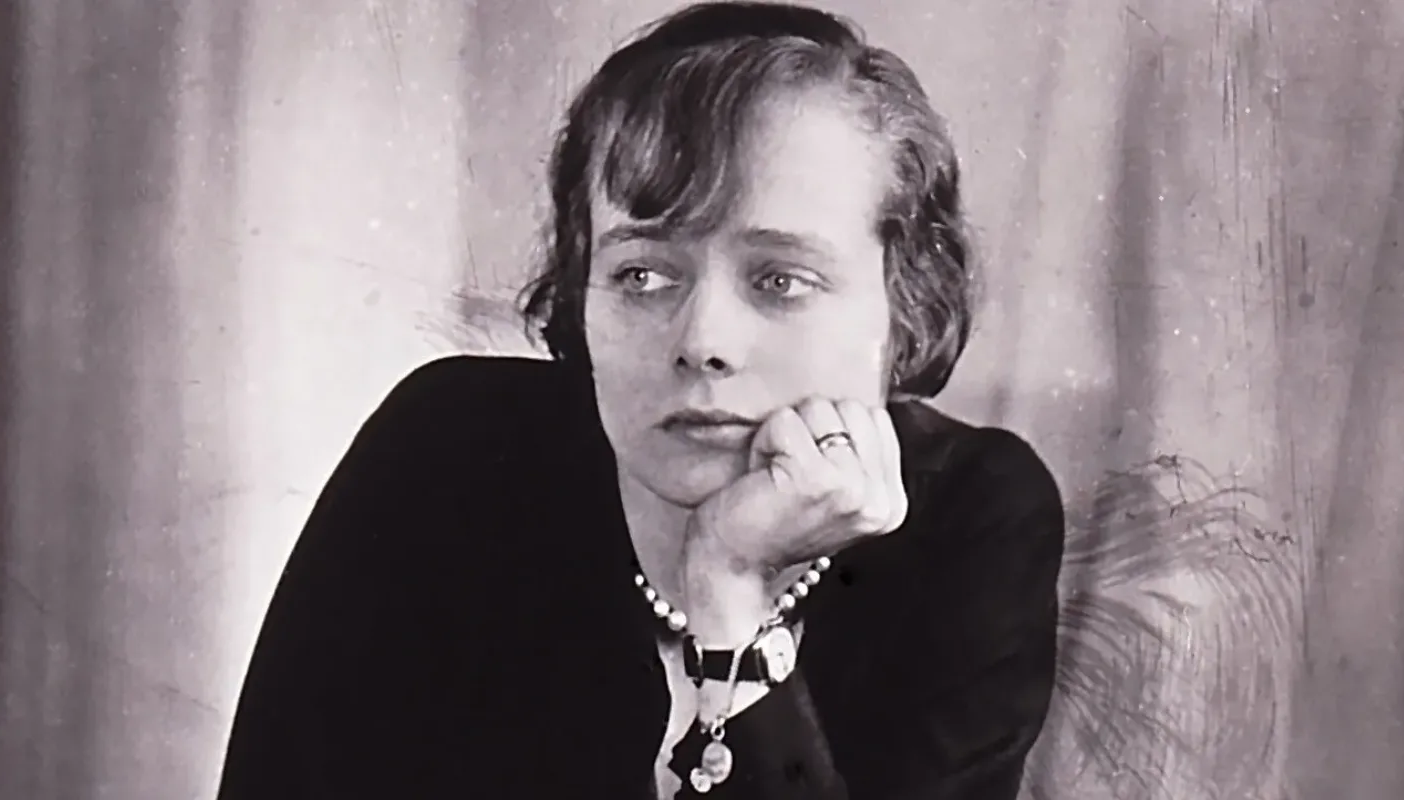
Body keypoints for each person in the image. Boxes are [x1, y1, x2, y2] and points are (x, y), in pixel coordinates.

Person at [217, 3, 1066, 797]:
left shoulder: (973, 516)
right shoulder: (447, 454)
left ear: (904, 305)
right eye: (643, 274)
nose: (703, 341)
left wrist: (729, 592)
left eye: (781, 280)